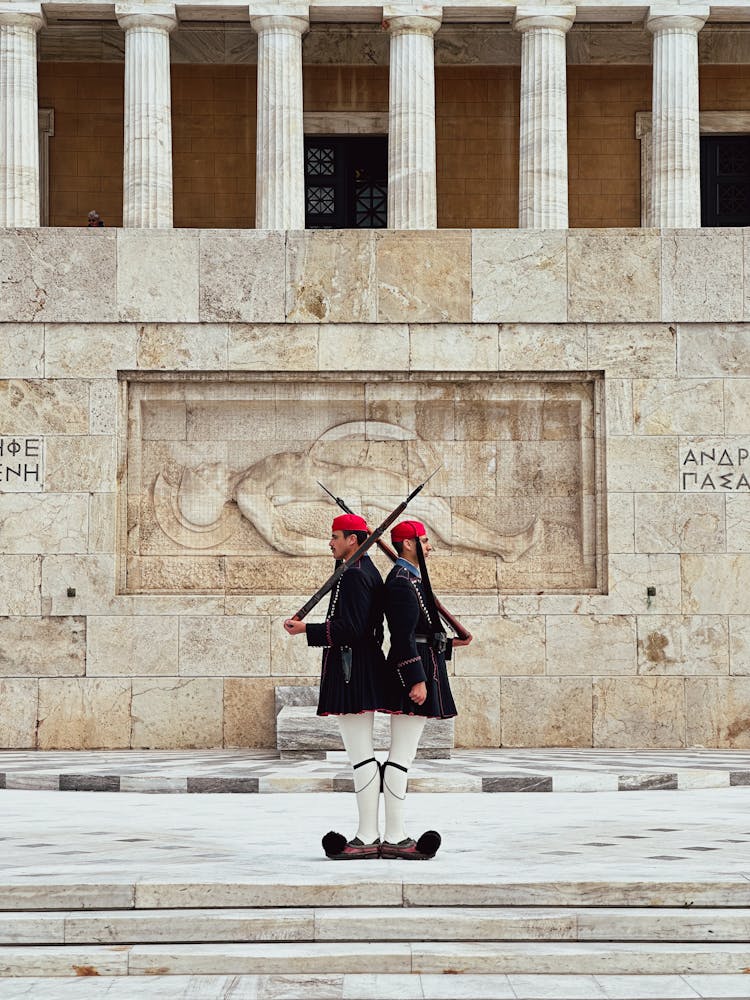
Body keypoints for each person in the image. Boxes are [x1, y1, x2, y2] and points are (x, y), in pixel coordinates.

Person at [284, 513, 386, 860]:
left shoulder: (357, 576)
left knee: (361, 757)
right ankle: (370, 831)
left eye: (335, 536)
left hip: (353, 671)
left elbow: (352, 629)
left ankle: (368, 834)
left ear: (354, 540)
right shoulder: (354, 571)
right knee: (361, 756)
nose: (330, 542)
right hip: (354, 668)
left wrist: (307, 631)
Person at [379, 519, 467, 860]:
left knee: (404, 756)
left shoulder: (412, 579)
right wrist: (416, 679)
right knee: (401, 757)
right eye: (425, 541)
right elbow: (401, 636)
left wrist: (451, 643)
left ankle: (393, 832)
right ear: (408, 545)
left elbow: (423, 630)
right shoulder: (401, 583)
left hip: (422, 665)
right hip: (412, 674)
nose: (430, 547)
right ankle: (395, 836)